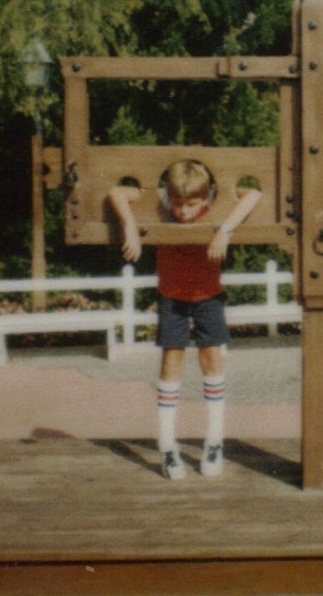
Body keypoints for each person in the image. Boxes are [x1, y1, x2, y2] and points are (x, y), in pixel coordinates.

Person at [108, 160, 261, 480]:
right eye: (178, 204)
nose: (184, 212)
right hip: (172, 296)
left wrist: (225, 228)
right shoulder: (161, 200)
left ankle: (214, 442)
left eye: (192, 204)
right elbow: (115, 191)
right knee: (171, 364)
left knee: (212, 362)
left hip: (208, 294)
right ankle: (167, 446)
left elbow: (255, 193)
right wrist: (130, 226)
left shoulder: (217, 199)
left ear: (206, 199)